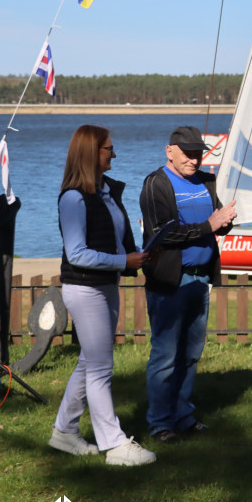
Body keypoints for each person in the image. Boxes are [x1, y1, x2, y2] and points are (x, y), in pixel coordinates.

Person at [50, 124, 156, 467]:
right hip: (84, 288)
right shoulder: (73, 198)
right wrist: (123, 260)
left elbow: (110, 240)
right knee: (100, 368)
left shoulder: (106, 193)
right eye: (109, 148)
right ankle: (114, 445)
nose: (114, 153)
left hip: (107, 285)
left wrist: (135, 254)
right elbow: (77, 252)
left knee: (90, 363)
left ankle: (64, 432)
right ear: (91, 152)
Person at [140, 126, 237, 444]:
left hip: (200, 277)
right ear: (170, 151)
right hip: (171, 280)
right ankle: (159, 423)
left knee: (192, 353)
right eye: (188, 153)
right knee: (165, 354)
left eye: (199, 153)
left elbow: (215, 224)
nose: (195, 159)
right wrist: (209, 225)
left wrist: (225, 221)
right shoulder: (156, 184)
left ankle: (183, 415)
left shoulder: (206, 181)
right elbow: (163, 235)